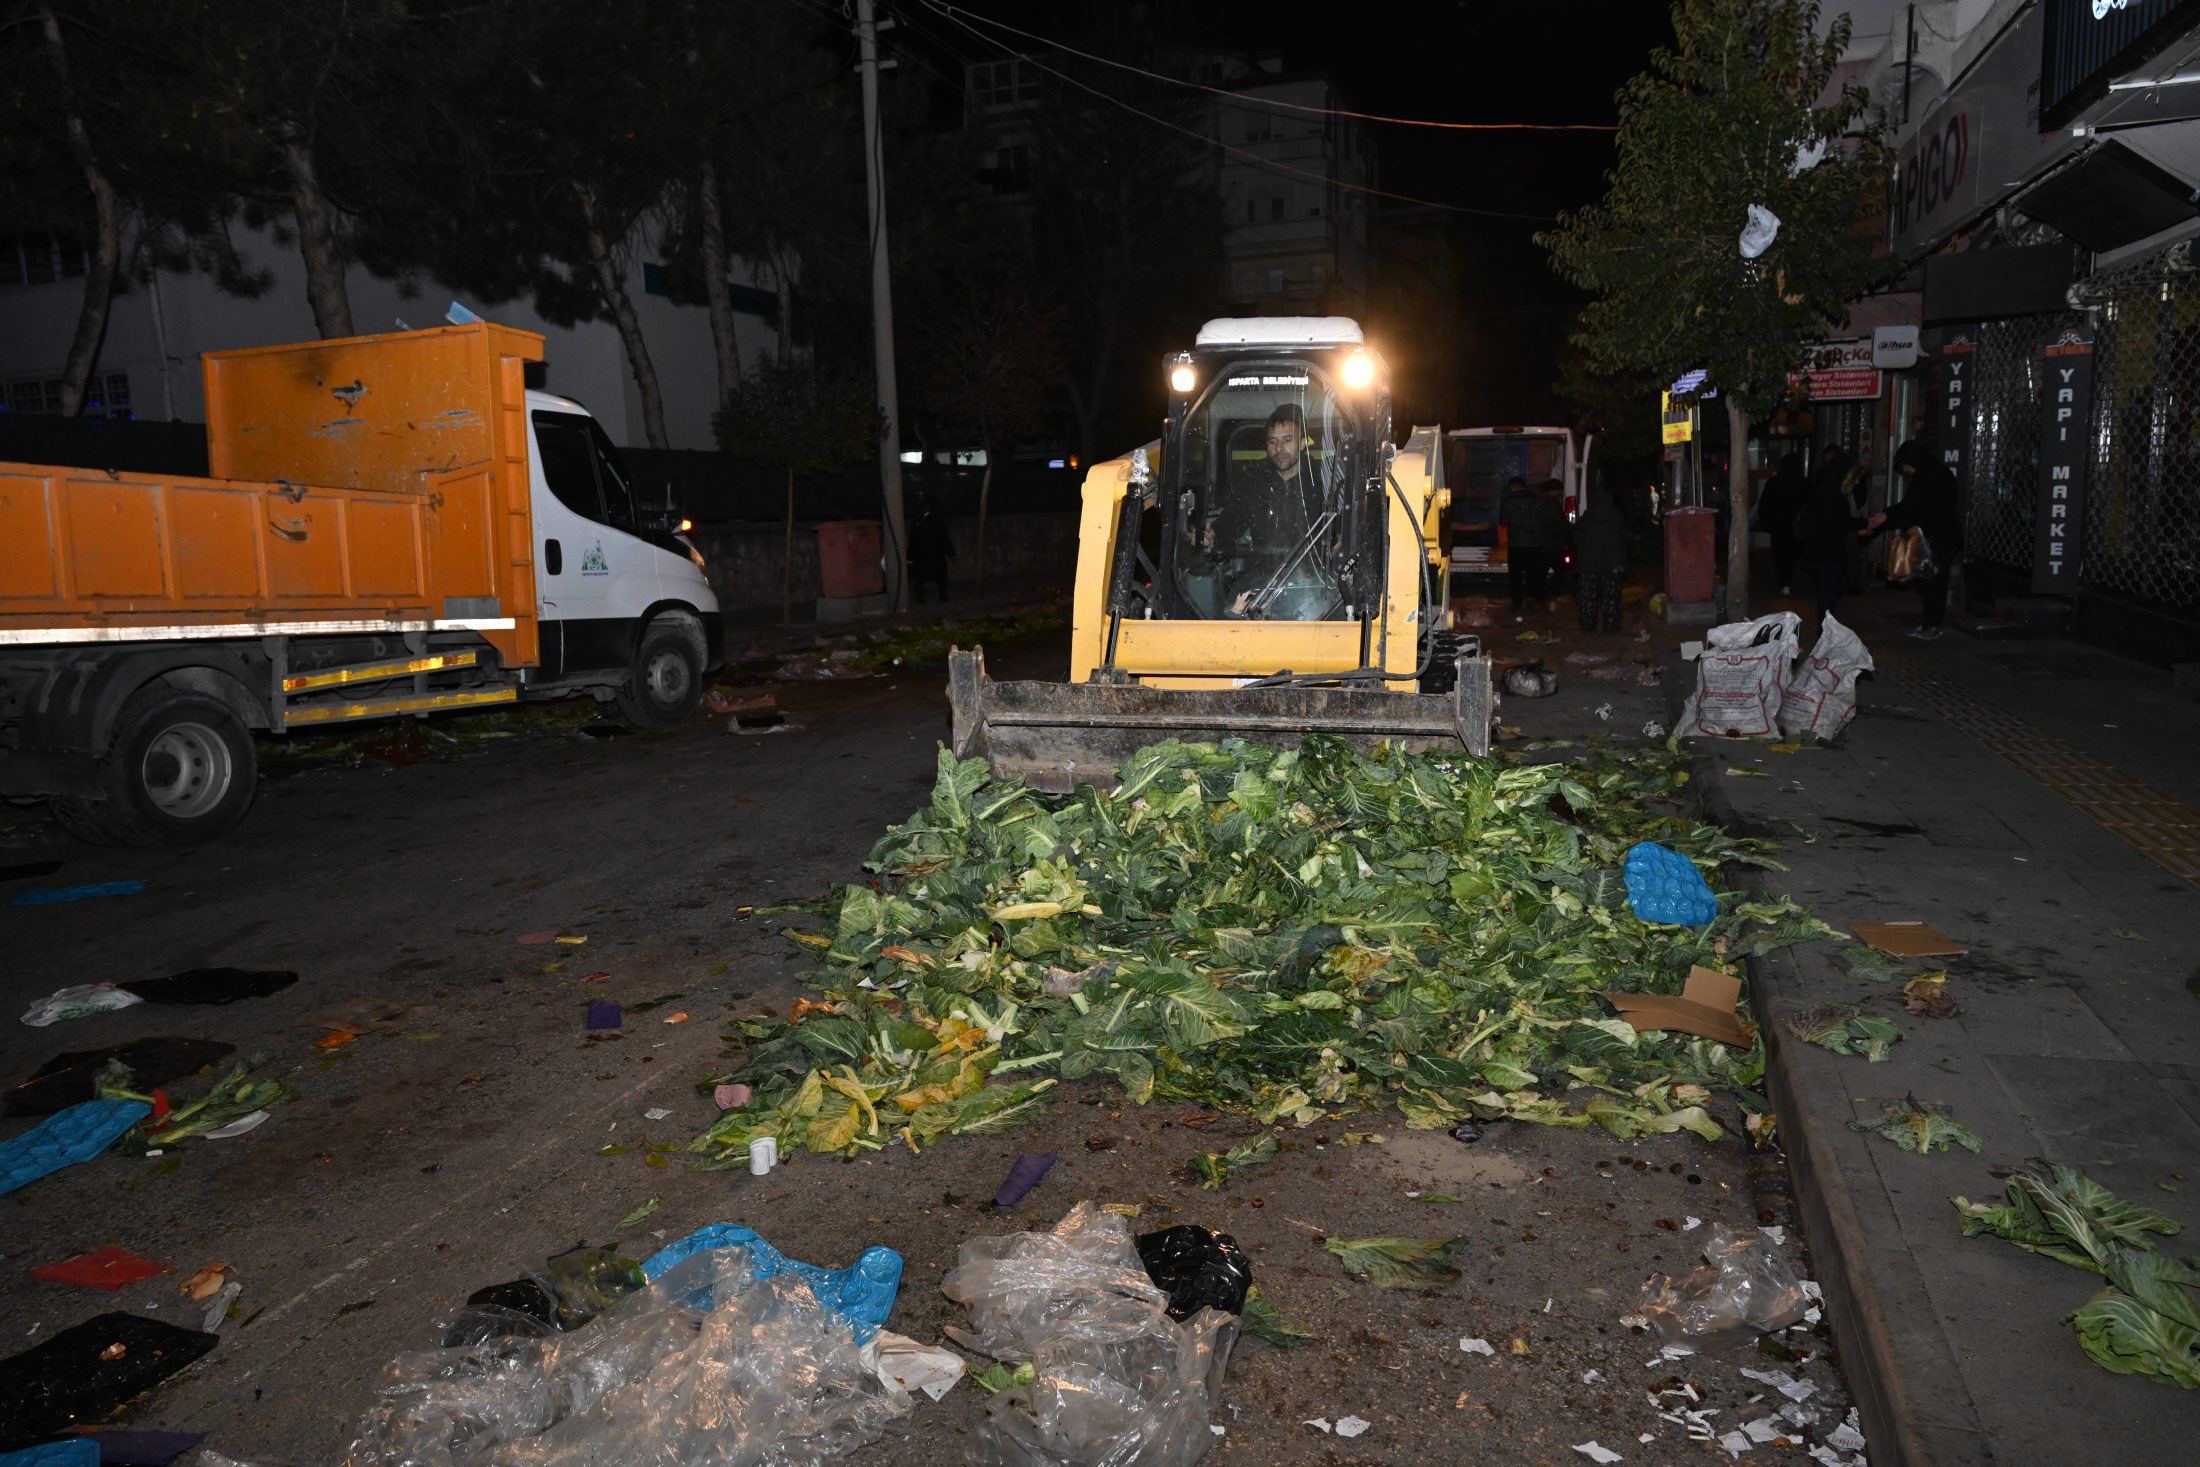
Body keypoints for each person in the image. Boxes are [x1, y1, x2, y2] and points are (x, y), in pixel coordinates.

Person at [1216, 403, 1325, 617]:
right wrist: (1211, 535)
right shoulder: (1254, 482)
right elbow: (1229, 524)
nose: (1279, 448)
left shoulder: (1322, 481)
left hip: (1313, 581)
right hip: (1259, 579)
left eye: (1287, 440)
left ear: (1303, 443)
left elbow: (1342, 534)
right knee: (1229, 620)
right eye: (1272, 442)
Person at [1864, 439, 1962, 639]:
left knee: (1934, 581)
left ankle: (1933, 624)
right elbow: (1911, 506)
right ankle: (1928, 622)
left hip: (1939, 538)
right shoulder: (1931, 474)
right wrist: (1887, 515)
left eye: (1905, 466)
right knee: (1927, 580)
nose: (1905, 471)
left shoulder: (1930, 476)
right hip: (1936, 537)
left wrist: (1891, 517)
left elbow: (1920, 507)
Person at [1799, 447, 1864, 622]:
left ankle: (1826, 631)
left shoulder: (1829, 491)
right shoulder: (1833, 495)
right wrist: (1862, 524)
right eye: (1856, 478)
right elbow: (1838, 522)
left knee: (1827, 595)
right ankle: (1826, 632)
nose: (1857, 482)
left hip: (1824, 552)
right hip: (1827, 553)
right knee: (1828, 596)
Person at [1571, 480, 1627, 633]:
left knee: (1588, 599)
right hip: (1612, 566)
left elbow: (1576, 539)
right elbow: (1625, 539)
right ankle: (1611, 626)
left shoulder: (1585, 520)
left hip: (1588, 566)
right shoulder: (1617, 518)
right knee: (1611, 599)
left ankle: (1588, 625)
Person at [1500, 475, 1558, 620]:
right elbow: (1546, 520)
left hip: (1516, 545)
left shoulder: (1508, 502)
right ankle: (1532, 601)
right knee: (1533, 575)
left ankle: (1517, 604)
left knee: (1516, 576)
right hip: (1534, 544)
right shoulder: (1536, 501)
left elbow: (1503, 521)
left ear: (1513, 487)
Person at [1757, 452, 1808, 595]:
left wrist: (1767, 523)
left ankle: (1784, 581)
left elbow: (1765, 505)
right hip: (1796, 527)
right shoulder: (1804, 483)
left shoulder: (1774, 483)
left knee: (1780, 555)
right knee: (1793, 554)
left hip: (1778, 527)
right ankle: (1788, 579)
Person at [907, 487, 954, 603]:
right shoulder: (923, 519)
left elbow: (943, 536)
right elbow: (944, 537)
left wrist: (950, 552)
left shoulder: (924, 518)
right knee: (930, 574)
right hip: (930, 553)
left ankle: (932, 596)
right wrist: (950, 553)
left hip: (928, 553)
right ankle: (933, 596)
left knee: (925, 575)